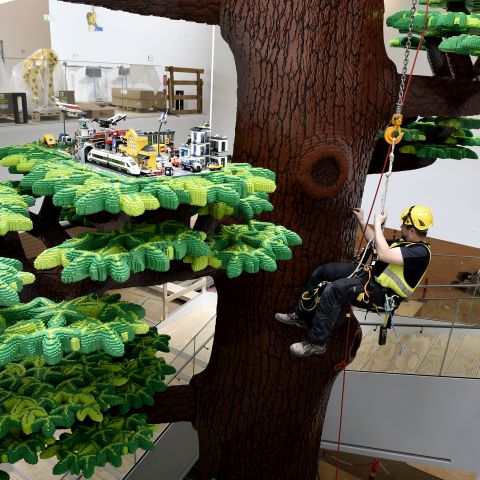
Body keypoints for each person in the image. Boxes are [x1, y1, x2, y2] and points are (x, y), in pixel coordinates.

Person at [275, 205, 433, 357]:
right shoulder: (405, 244)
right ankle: (300, 315)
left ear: (412, 230)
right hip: (369, 278)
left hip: (380, 294)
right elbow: (376, 242)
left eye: (404, 224)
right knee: (324, 272)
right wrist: (362, 221)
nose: (400, 226)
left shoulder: (420, 253)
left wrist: (378, 223)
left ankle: (316, 342)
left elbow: (384, 254)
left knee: (334, 290)